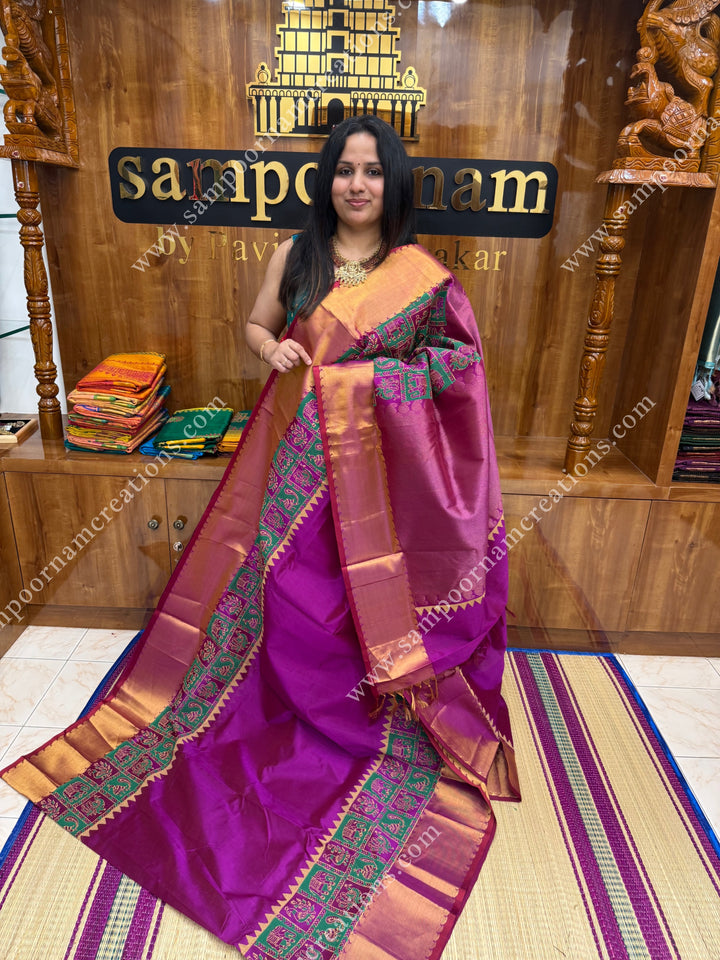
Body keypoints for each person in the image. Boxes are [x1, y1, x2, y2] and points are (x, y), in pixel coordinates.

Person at [1, 115, 519, 959]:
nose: (357, 184)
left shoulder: (425, 279)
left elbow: (457, 371)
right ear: (328, 180)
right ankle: (276, 699)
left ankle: (356, 709)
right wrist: (271, 350)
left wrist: (363, 379)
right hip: (293, 472)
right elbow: (254, 328)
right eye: (345, 170)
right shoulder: (298, 256)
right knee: (285, 599)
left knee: (357, 611)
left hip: (379, 493)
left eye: (373, 172)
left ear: (394, 184)